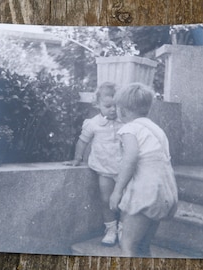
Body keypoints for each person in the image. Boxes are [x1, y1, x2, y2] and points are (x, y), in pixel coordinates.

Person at [110, 82, 178, 257]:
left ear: (122, 110)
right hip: (165, 193)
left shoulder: (129, 128)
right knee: (143, 246)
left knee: (128, 244)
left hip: (146, 193)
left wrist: (117, 191)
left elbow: (130, 158)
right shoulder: (156, 129)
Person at [64, 82, 124, 246]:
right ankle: (111, 228)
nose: (112, 109)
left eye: (116, 106)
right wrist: (77, 158)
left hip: (125, 171)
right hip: (104, 169)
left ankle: (124, 229)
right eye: (108, 106)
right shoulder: (93, 123)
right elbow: (83, 141)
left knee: (126, 201)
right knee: (106, 200)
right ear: (98, 105)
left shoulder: (124, 122)